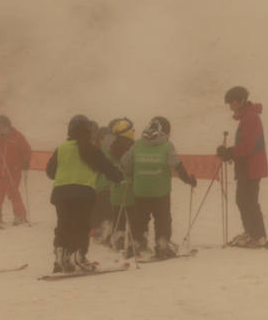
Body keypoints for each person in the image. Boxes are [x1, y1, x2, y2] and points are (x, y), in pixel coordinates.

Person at [44, 114, 123, 272]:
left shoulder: (62, 148)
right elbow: (107, 168)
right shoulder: (91, 148)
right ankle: (78, 256)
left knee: (63, 225)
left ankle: (61, 256)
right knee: (81, 226)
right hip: (83, 193)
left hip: (61, 193)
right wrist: (119, 178)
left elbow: (50, 172)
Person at [120, 116, 197, 259]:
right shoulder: (167, 146)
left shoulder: (137, 144)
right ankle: (162, 245)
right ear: (165, 131)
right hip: (160, 191)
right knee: (162, 219)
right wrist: (188, 180)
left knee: (140, 219)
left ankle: (135, 244)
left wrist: (130, 173)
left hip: (140, 190)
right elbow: (176, 165)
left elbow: (125, 162)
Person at [217, 85, 268, 246]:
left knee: (248, 200)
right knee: (243, 200)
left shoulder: (250, 117)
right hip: (247, 165)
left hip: (251, 166)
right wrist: (229, 153)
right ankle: (251, 233)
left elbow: (249, 146)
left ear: (240, 101)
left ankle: (258, 235)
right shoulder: (247, 117)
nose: (230, 107)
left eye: (231, 103)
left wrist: (230, 152)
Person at [0, 115, 31, 226]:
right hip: (1, 169)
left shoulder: (17, 136)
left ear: (8, 125)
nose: (2, 130)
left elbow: (27, 150)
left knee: (13, 192)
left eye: (4, 126)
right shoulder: (0, 138)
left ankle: (20, 215)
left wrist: (25, 162)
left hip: (14, 169)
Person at [105, 117, 137, 251]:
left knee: (119, 216)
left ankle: (118, 240)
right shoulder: (134, 148)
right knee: (134, 218)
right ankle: (135, 242)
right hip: (132, 189)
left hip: (116, 189)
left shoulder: (111, 149)